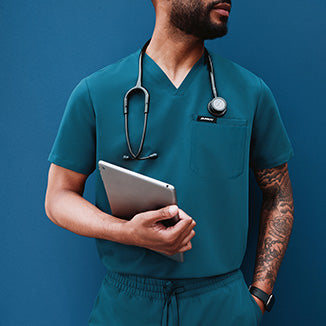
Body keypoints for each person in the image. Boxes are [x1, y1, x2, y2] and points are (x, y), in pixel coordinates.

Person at [45, 0, 294, 325]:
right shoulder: (96, 92)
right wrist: (127, 232)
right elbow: (58, 197)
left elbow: (279, 195)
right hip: (126, 306)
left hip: (222, 307)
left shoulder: (250, 92)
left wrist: (259, 296)